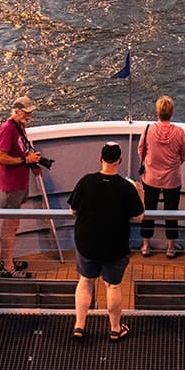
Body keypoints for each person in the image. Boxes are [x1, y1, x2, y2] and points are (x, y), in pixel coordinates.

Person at [69, 141, 144, 341]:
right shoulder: (126, 188)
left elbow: (73, 210)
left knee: (85, 281)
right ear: (119, 160)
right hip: (115, 246)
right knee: (113, 286)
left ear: (100, 159)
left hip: (87, 243)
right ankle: (114, 329)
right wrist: (141, 193)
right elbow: (139, 216)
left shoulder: (86, 182)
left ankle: (79, 325)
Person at [0, 96, 44, 276]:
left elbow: (21, 150)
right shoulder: (7, 129)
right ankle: (8, 267)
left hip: (20, 182)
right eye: (27, 112)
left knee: (12, 224)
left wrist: (32, 164)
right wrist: (26, 160)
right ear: (17, 111)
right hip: (10, 185)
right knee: (11, 224)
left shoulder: (19, 126)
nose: (30, 115)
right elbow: (1, 158)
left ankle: (5, 259)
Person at [138, 97, 185, 257]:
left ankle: (146, 245)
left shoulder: (148, 130)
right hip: (172, 179)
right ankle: (171, 248)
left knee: (148, 210)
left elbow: (141, 150)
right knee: (172, 212)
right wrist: (173, 164)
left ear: (158, 112)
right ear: (171, 112)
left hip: (150, 177)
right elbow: (184, 154)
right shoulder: (179, 132)